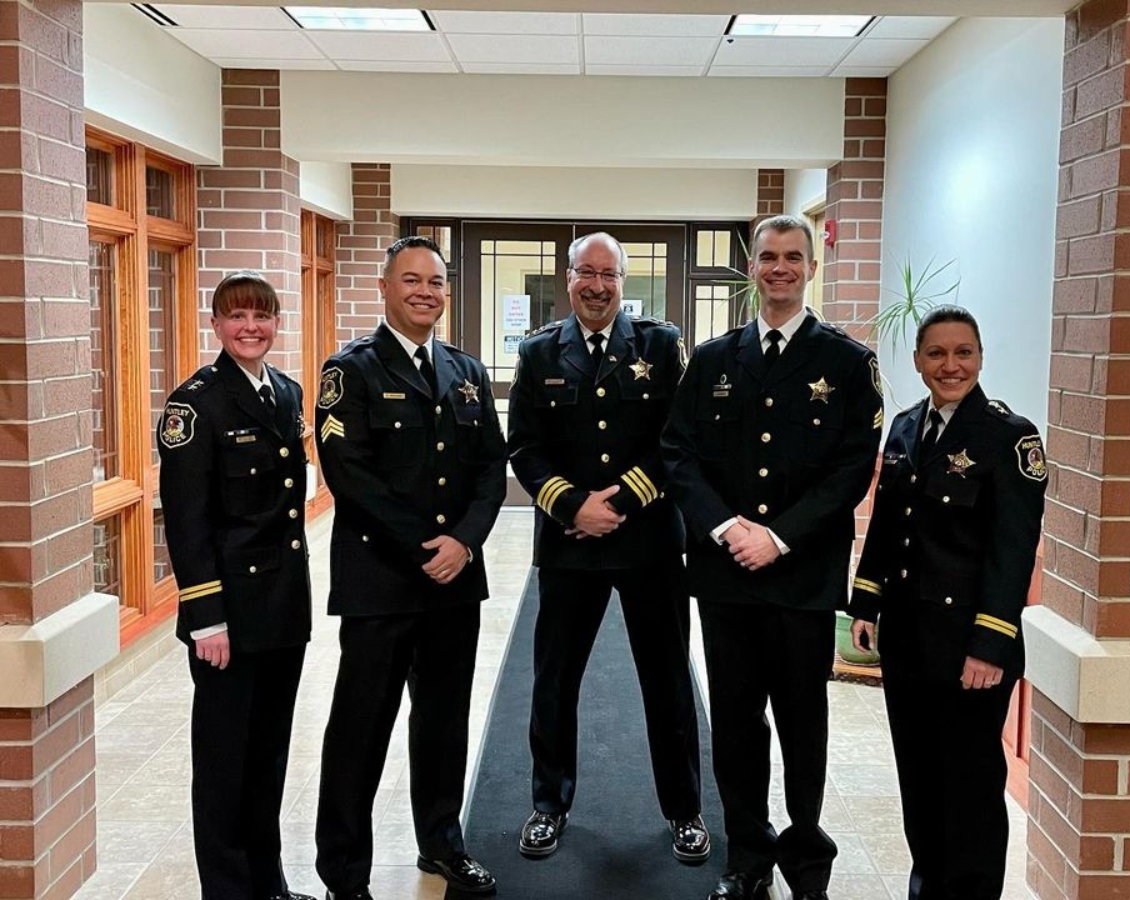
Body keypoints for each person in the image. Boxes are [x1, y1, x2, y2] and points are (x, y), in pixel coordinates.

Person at [661, 214, 883, 900]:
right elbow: (678, 452)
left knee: (801, 721)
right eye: (768, 257)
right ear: (751, 267)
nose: (780, 267)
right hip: (728, 578)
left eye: (793, 256)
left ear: (811, 267)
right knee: (733, 723)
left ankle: (807, 857)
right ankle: (747, 855)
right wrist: (729, 528)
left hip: (803, 579)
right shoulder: (714, 359)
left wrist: (779, 536)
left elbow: (852, 467)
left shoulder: (847, 363)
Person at [313, 236, 506, 899]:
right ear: (385, 288)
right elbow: (351, 476)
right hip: (381, 582)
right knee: (360, 730)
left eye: (436, 281)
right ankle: (344, 874)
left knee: (445, 722)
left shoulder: (466, 371)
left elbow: (490, 466)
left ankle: (442, 847)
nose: (426, 290)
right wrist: (430, 546)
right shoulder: (352, 371)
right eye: (412, 279)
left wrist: (468, 543)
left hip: (455, 583)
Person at [506, 231, 708, 865]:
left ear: (625, 282)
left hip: (648, 543)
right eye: (585, 273)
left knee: (668, 681)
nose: (597, 285)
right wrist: (573, 506)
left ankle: (684, 811)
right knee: (554, 681)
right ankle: (548, 805)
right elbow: (524, 447)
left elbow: (677, 440)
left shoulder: (660, 345)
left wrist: (615, 503)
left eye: (609, 275)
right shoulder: (539, 352)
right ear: (568, 278)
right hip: (569, 547)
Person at [849, 306, 1046, 900]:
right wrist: (866, 603)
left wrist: (990, 646)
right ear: (917, 361)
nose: (950, 365)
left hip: (970, 648)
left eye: (963, 352)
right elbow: (887, 526)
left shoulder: (1010, 437)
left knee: (970, 786)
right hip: (910, 640)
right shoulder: (907, 426)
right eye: (937, 353)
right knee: (920, 775)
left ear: (980, 358)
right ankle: (927, 885)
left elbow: (1012, 555)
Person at [157, 270, 314, 900]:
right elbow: (188, 523)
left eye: (262, 316)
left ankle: (267, 884)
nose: (251, 327)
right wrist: (207, 619)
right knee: (224, 764)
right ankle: (227, 892)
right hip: (228, 619)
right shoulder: (194, 405)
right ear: (216, 324)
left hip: (280, 609)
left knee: (268, 757)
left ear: (277, 322)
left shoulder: (286, 391)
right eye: (237, 316)